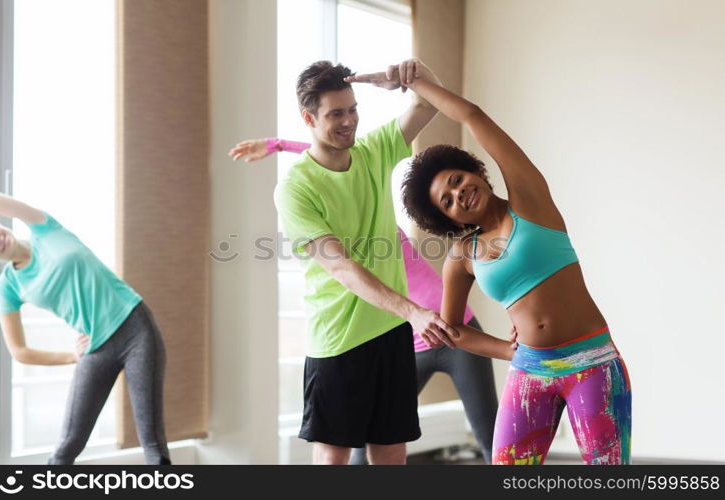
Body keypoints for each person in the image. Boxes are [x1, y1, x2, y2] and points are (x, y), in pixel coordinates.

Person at [346, 67, 632, 465]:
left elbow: (474, 116)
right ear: (448, 220)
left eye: (458, 180)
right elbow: (452, 331)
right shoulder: (462, 256)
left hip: (593, 362)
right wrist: (505, 350)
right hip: (531, 370)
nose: (458, 194)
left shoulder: (530, 202)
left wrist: (415, 82)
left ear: (476, 172)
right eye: (447, 200)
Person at [268, 59, 515, 465]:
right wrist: (413, 312)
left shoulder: (373, 151)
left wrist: (410, 76)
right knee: (333, 457)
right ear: (308, 118)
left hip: (391, 335)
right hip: (338, 341)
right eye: (336, 114)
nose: (348, 121)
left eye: (352, 110)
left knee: (391, 452)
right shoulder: (295, 188)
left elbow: (427, 105)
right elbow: (342, 268)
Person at [230, 138, 501, 464]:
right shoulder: (336, 252)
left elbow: (338, 160)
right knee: (364, 443)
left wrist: (277, 145)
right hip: (409, 343)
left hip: (456, 328)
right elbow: (323, 171)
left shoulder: (385, 227)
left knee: (492, 437)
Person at [0, 191, 170, 465]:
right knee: (68, 445)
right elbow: (19, 351)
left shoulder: (44, 228)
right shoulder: (7, 287)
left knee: (152, 443)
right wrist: (71, 356)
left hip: (136, 329)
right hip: (96, 347)